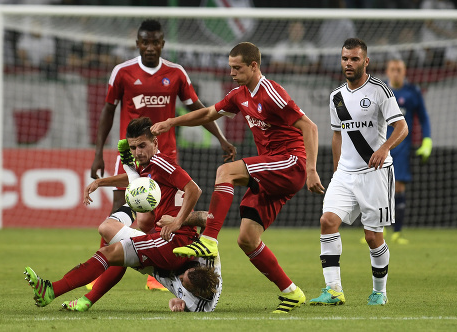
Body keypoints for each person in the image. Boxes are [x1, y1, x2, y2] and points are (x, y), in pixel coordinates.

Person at [151, 42, 325, 313]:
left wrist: (312, 169)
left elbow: (310, 127)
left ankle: (208, 239)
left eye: (237, 67)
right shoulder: (239, 95)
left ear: (254, 66)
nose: (231, 72)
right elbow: (209, 113)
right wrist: (173, 122)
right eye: (230, 67)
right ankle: (292, 292)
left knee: (226, 171)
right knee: (246, 238)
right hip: (271, 170)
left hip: (291, 163)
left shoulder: (271, 93)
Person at [89, 19, 235, 291]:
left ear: (162, 44)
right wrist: (98, 153)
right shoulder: (122, 72)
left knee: (161, 215)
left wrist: (221, 138)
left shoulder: (176, 73)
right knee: (118, 209)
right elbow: (108, 110)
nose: (150, 47)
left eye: (155, 42)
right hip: (131, 156)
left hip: (164, 156)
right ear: (138, 43)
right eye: (145, 41)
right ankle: (101, 269)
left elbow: (200, 109)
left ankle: (155, 273)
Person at [24, 117, 222, 312]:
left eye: (142, 146)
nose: (138, 152)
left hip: (175, 242)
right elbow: (134, 181)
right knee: (110, 235)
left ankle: (52, 290)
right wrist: (100, 182)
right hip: (166, 240)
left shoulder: (161, 162)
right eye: (133, 148)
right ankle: (84, 300)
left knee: (110, 253)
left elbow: (194, 189)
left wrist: (178, 222)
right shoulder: (149, 166)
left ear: (155, 142)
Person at [309, 38, 408, 306]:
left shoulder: (380, 91)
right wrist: (336, 171)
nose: (348, 63)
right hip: (344, 175)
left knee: (372, 237)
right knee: (327, 221)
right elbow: (337, 136)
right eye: (344, 59)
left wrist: (385, 148)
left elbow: (402, 128)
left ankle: (380, 292)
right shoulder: (336, 97)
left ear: (366, 61)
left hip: (374, 174)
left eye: (354, 59)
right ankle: (334, 290)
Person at [385, 59, 432, 244]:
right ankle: (374, 230)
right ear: (387, 71)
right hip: (379, 147)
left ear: (405, 72)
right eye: (393, 69)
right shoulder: (379, 91)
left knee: (398, 187)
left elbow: (424, 118)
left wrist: (427, 141)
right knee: (375, 189)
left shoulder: (412, 93)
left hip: (402, 148)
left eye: (399, 69)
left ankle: (397, 232)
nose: (396, 72)